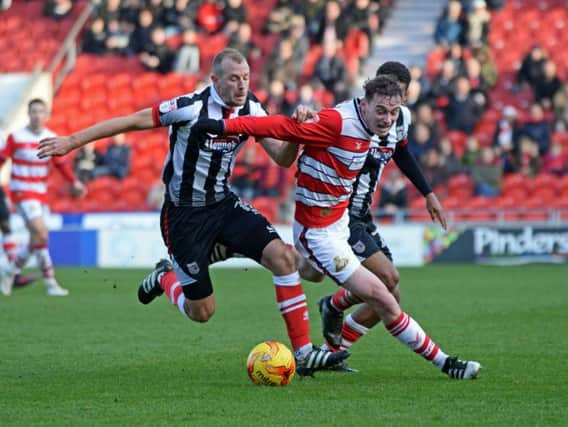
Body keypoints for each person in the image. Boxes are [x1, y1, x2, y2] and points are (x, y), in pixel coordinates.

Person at [37, 48, 348, 376]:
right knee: (202, 312)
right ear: (215, 80)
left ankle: (302, 353)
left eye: (245, 78)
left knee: (282, 259)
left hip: (224, 205)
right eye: (233, 79)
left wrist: (297, 134)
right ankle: (165, 277)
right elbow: (131, 121)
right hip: (184, 217)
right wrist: (72, 140)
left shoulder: (252, 107)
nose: (242, 85)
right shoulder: (189, 107)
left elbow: (283, 159)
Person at [189, 74, 481, 379]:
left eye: (393, 113)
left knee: (311, 272)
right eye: (380, 111)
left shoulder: (381, 125)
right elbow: (281, 128)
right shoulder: (338, 121)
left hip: (339, 222)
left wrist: (426, 192)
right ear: (364, 104)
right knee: (383, 296)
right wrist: (223, 126)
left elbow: (401, 150)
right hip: (317, 231)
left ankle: (238, 250)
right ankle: (447, 364)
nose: (386, 120)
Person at [0, 99, 86, 296]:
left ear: (46, 115)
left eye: (40, 112)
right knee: (40, 233)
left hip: (40, 193)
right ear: (28, 114)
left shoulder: (51, 137)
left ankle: (10, 270)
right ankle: (50, 282)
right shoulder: (16, 137)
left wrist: (74, 182)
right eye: (33, 111)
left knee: (38, 238)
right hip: (21, 191)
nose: (37, 115)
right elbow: (2, 159)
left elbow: (61, 164)